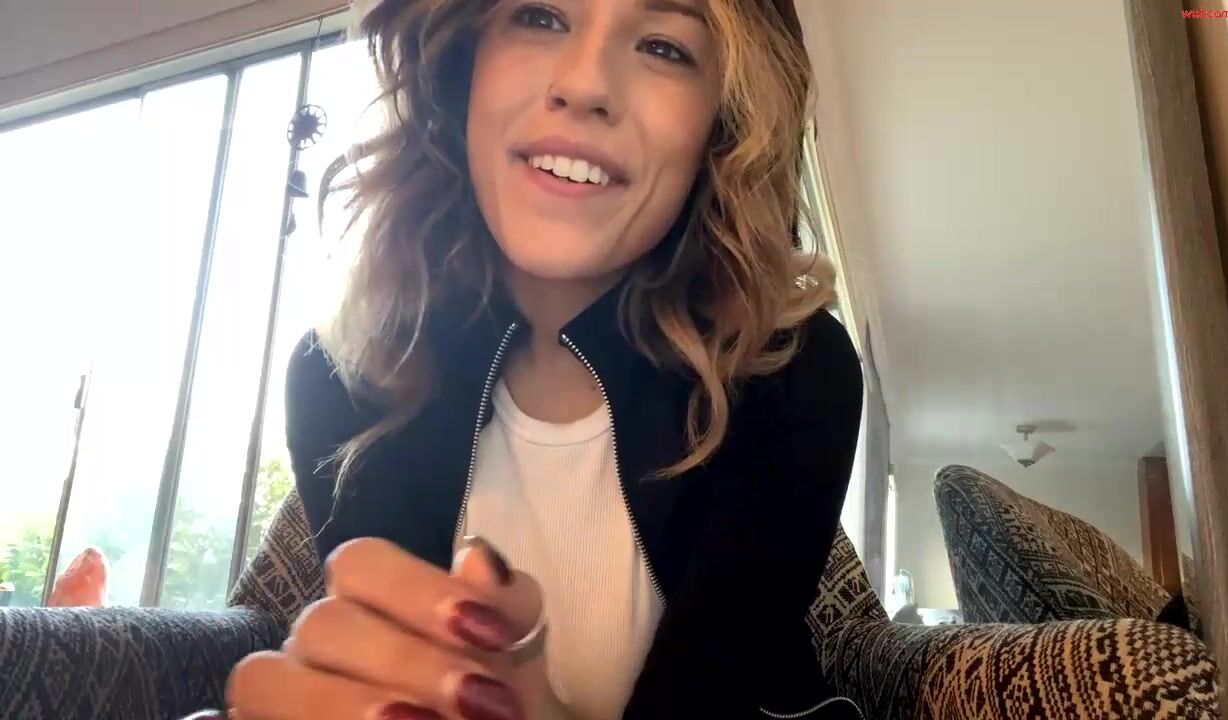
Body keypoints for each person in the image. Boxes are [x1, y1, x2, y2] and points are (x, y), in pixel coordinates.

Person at [211, 0, 864, 718]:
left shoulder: (793, 370)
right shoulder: (343, 376)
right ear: (461, 63)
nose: (584, 85)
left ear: (724, 125)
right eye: (539, 16)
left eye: (664, 47)